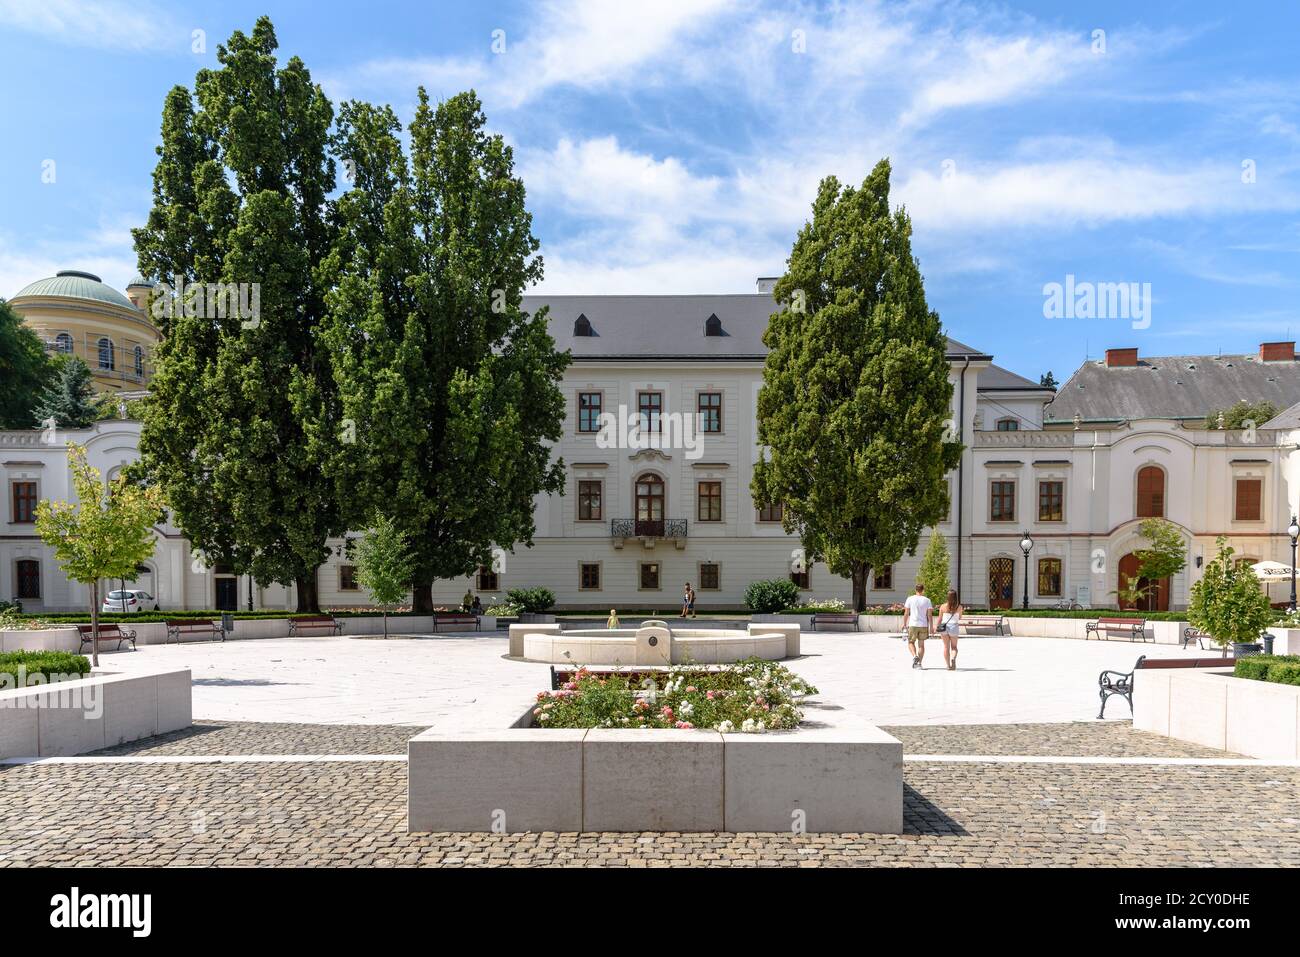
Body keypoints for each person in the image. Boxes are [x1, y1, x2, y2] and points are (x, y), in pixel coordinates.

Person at [902, 583, 932, 669]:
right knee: (921, 645)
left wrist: (904, 624)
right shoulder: (927, 600)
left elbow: (906, 613)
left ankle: (915, 656)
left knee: (911, 642)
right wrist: (931, 627)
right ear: (923, 590)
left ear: (915, 590)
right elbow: (929, 615)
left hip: (913, 624)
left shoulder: (910, 599)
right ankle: (919, 664)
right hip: (923, 625)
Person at [935, 590, 963, 670]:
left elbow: (940, 619)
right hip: (954, 626)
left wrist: (936, 627)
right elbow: (960, 617)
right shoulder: (959, 606)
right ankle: (953, 658)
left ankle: (948, 665)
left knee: (946, 647)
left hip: (944, 627)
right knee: (954, 647)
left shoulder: (943, 606)